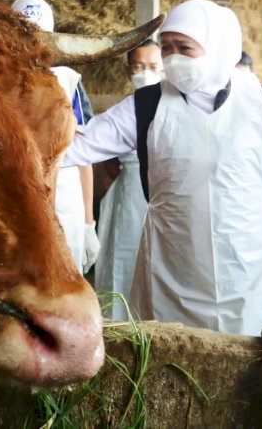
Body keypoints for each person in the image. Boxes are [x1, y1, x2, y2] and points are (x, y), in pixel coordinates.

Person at [64, 0, 262, 337]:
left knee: (248, 366)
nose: (173, 58)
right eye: (166, 48)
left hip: (251, 270)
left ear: (217, 46)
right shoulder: (148, 105)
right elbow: (77, 145)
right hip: (172, 270)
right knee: (174, 359)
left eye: (185, 48)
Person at [11, 0, 100, 275]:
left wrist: (88, 223)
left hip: (65, 196)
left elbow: (83, 154)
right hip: (14, 193)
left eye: (41, 36)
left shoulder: (68, 81)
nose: (34, 45)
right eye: (23, 35)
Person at [95, 40, 160, 320]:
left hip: (162, 193)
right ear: (127, 70)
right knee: (121, 257)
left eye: (153, 67)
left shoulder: (175, 107)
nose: (145, 73)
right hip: (126, 195)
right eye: (138, 67)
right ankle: (116, 322)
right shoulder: (123, 110)